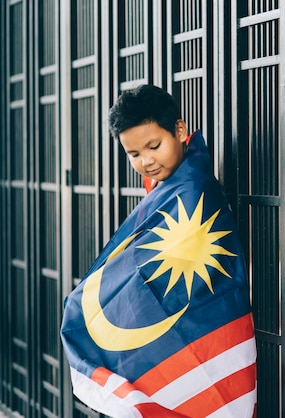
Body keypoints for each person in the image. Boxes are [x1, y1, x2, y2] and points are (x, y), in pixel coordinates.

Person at [60, 84, 257, 418]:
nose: (146, 161)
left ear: (179, 130)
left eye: (154, 146)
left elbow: (149, 264)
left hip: (205, 325)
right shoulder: (172, 183)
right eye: (134, 154)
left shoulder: (193, 188)